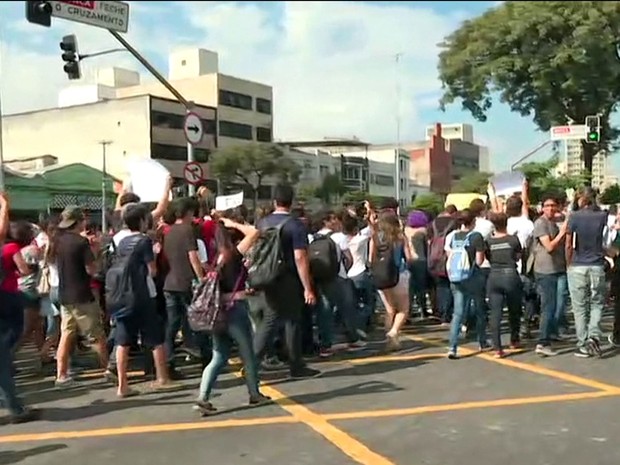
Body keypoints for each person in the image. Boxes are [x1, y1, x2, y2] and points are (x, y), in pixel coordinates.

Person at [195, 216, 272, 414]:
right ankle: (254, 394)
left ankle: (203, 397)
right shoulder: (234, 254)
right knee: (248, 355)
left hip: (217, 312)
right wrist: (233, 223)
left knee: (218, 356)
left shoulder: (213, 261)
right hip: (235, 309)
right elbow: (255, 233)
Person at [254, 184, 320, 379]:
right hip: (288, 278)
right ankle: (295, 365)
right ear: (291, 202)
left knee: (269, 319)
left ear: (274, 201)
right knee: (291, 321)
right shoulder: (295, 225)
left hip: (266, 276)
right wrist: (308, 288)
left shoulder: (262, 223)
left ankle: (254, 361)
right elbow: (300, 258)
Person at [112, 204, 177, 397]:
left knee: (123, 341)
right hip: (143, 294)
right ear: (142, 221)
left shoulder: (122, 242)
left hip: (122, 295)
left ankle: (122, 385)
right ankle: (162, 378)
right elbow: (152, 270)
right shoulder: (144, 241)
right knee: (155, 338)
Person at [54, 206, 108, 386]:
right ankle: (109, 369)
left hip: (65, 294)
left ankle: (61, 374)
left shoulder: (58, 241)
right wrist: (97, 252)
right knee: (97, 334)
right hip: (82, 293)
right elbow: (91, 269)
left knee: (66, 333)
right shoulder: (80, 242)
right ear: (80, 221)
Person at [0, 193, 40, 423]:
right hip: (6, 301)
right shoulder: (11, 248)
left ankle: (14, 406)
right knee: (3, 359)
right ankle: (16, 409)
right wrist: (5, 205)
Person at [566, 187, 608, 357]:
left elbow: (569, 244)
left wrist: (568, 263)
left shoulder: (574, 217)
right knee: (597, 303)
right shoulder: (602, 216)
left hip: (578, 264)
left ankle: (583, 343)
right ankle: (594, 336)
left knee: (580, 306)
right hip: (597, 264)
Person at [368, 209, 415, 351]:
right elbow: (409, 258)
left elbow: (371, 259)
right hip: (399, 274)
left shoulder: (375, 237)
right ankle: (394, 332)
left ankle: (391, 342)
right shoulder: (400, 237)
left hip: (381, 275)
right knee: (403, 309)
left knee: (389, 309)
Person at [445, 209, 487, 359]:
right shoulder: (476, 237)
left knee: (458, 313)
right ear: (473, 221)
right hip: (472, 276)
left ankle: (452, 347)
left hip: (455, 277)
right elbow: (479, 261)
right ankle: (482, 341)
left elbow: (450, 255)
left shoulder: (453, 236)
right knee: (479, 309)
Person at [532, 194, 568, 356]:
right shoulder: (540, 223)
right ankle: (542, 342)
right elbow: (549, 247)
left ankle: (552, 332)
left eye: (553, 205)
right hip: (545, 271)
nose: (551, 208)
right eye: (547, 205)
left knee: (557, 303)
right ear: (542, 207)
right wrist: (562, 233)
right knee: (548, 306)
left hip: (557, 268)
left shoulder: (553, 222)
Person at [485, 213, 523, 358]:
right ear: (506, 222)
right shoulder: (513, 239)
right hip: (510, 275)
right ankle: (514, 339)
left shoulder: (488, 241)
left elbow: (487, 257)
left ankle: (497, 348)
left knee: (496, 313)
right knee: (514, 310)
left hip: (494, 275)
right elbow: (518, 256)